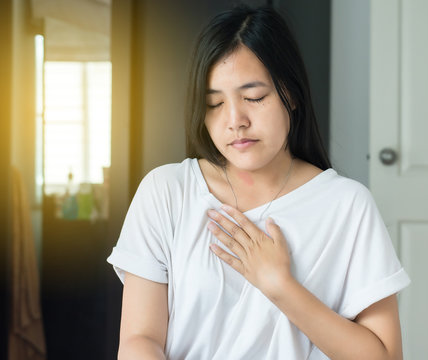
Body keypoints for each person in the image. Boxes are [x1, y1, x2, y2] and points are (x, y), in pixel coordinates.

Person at [107, 4, 410, 359]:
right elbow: (139, 340)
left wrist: (279, 285)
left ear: (291, 94)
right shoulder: (166, 192)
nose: (235, 120)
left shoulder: (347, 205)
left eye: (254, 97)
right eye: (215, 103)